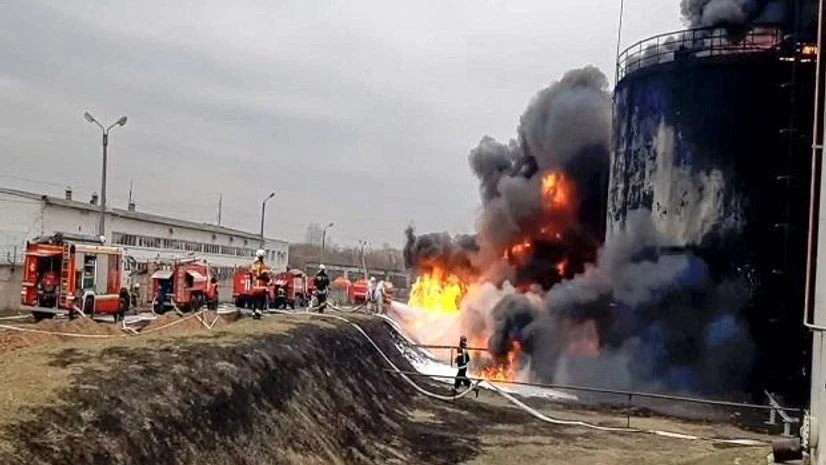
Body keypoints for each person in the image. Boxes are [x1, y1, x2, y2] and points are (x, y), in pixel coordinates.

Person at [251, 249, 268, 319]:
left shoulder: (254, 264)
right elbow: (264, 275)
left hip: (255, 285)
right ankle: (257, 315)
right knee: (262, 300)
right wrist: (268, 279)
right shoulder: (262, 264)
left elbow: (252, 273)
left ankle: (254, 313)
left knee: (255, 300)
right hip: (261, 284)